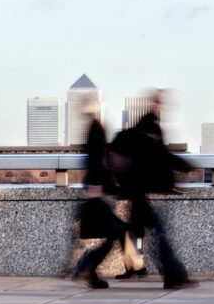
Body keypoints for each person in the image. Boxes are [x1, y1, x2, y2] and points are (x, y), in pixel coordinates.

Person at [111, 90, 197, 290]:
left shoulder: (142, 132)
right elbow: (162, 157)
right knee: (158, 234)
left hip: (137, 192)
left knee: (149, 233)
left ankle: (161, 272)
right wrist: (186, 166)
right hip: (140, 192)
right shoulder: (150, 134)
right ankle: (173, 276)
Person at [72, 103, 125, 289]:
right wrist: (98, 186)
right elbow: (96, 159)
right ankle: (87, 267)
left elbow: (93, 158)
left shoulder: (93, 128)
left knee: (115, 232)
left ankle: (88, 269)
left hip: (98, 189)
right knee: (115, 232)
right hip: (99, 191)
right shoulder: (96, 128)